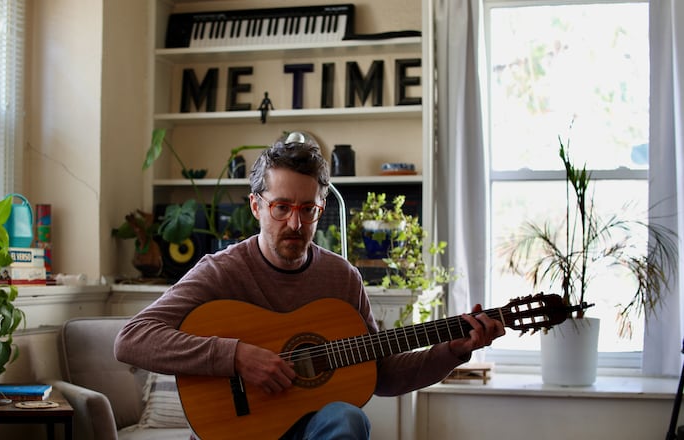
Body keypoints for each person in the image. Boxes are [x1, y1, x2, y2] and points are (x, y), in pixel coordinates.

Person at [114, 131, 506, 439]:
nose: (296, 224)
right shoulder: (221, 271)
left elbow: (381, 374)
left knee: (348, 419)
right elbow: (132, 339)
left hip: (314, 430)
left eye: (308, 210)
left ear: (321, 209)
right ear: (256, 206)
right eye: (281, 207)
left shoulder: (341, 278)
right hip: (235, 431)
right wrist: (237, 356)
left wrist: (451, 351)